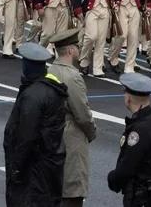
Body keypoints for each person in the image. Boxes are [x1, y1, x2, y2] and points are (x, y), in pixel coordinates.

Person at [3, 42, 68, 207]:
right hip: (51, 163)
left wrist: (16, 168)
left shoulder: (32, 95)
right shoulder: (54, 90)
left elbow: (26, 135)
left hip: (33, 168)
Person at [47, 29, 97, 207]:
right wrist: (92, 133)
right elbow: (82, 114)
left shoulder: (51, 70)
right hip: (70, 134)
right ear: (69, 50)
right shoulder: (73, 76)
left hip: (52, 132)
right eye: (76, 45)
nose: (79, 48)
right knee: (73, 187)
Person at [107, 72, 151, 206]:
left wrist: (113, 179)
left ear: (128, 98)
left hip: (141, 197)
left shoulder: (139, 130)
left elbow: (128, 164)